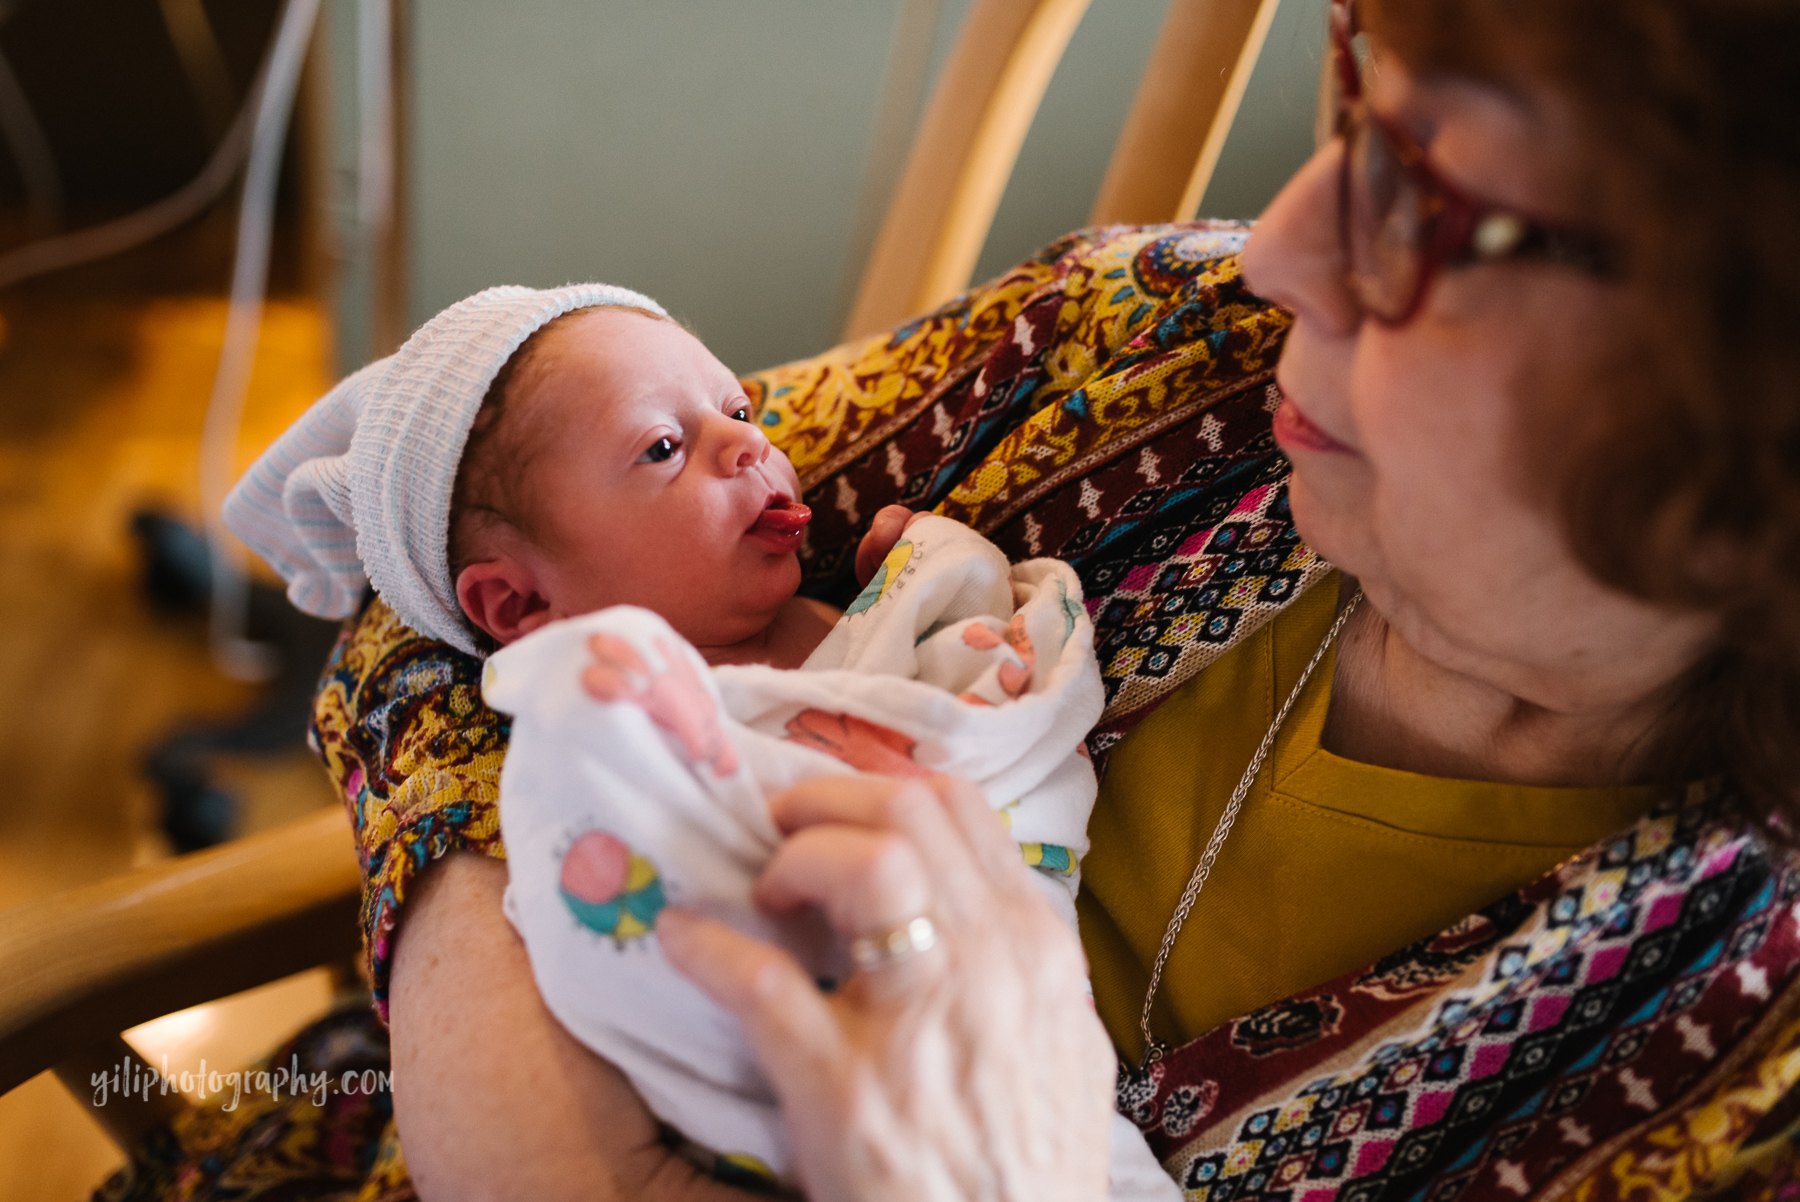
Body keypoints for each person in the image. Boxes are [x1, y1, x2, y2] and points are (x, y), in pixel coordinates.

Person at [97, 0, 1800, 1197]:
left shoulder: (1736, 1063)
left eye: (1429, 200)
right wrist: (542, 1139)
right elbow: (446, 572)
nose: (1277, 246)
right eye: (1356, 81)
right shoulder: (1151, 351)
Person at [218, 285, 1169, 1196]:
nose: (750, 444)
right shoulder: (609, 723)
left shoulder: (844, 605)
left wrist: (932, 585)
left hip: (1018, 1042)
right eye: (665, 447)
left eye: (738, 406)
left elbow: (984, 693)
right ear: (522, 602)